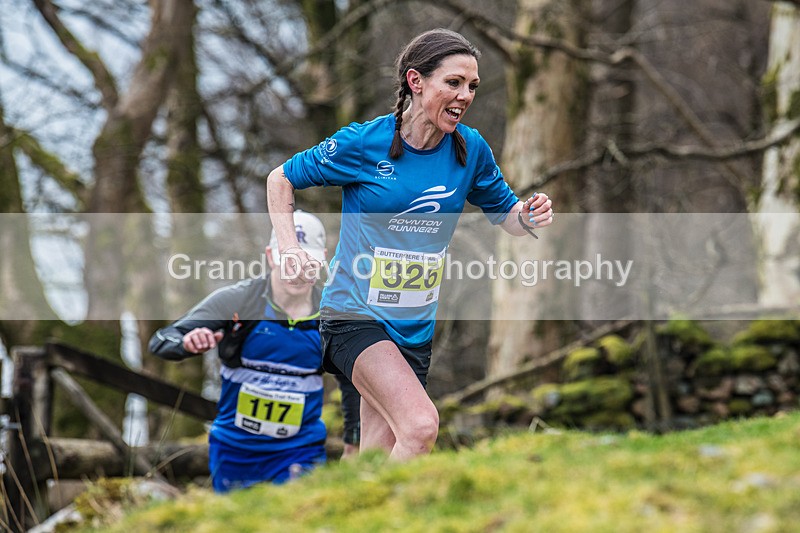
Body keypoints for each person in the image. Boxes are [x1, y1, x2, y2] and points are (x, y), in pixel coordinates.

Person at [266, 29, 554, 461]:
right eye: (453, 83)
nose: (465, 96)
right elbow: (281, 178)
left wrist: (528, 216)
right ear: (416, 82)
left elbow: (506, 215)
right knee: (421, 427)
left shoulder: (469, 149)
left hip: (415, 328)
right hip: (354, 315)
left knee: (377, 456)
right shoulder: (366, 143)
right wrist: (290, 249)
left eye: (472, 86)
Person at [149, 210, 360, 492]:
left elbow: (354, 382)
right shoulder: (239, 299)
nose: (296, 271)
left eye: (307, 262)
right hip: (236, 450)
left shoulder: (332, 314)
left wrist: (354, 442)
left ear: (321, 260)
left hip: (300, 451)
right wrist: (186, 343)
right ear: (271, 256)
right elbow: (161, 340)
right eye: (289, 260)